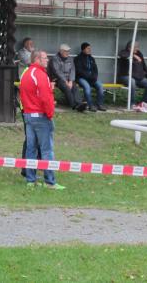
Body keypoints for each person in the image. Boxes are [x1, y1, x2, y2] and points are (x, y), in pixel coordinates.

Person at [19, 50, 64, 190]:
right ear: (38, 59)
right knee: (47, 150)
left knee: (31, 149)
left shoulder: (26, 73)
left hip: (28, 115)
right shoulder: (41, 75)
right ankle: (50, 181)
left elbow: (25, 95)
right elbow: (45, 98)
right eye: (45, 58)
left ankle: (30, 180)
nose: (48, 60)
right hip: (40, 116)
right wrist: (50, 114)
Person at [47, 43, 87, 112]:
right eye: (66, 51)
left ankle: (80, 104)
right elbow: (57, 72)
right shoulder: (55, 59)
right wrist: (66, 81)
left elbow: (73, 70)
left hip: (69, 79)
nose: (67, 53)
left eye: (68, 51)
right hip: (57, 79)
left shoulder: (70, 59)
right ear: (61, 51)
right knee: (66, 87)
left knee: (74, 87)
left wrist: (71, 81)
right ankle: (74, 105)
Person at [117, 40, 147, 108]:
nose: (137, 49)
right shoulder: (124, 52)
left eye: (137, 47)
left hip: (138, 78)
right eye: (136, 47)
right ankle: (132, 103)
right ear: (129, 48)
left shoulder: (139, 53)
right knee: (132, 81)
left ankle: (144, 104)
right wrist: (133, 55)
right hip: (125, 77)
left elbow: (144, 66)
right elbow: (122, 55)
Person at [74, 42, 106, 112]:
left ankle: (100, 104)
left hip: (92, 78)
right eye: (88, 48)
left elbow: (95, 70)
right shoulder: (78, 58)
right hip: (81, 78)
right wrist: (89, 77)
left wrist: (94, 76)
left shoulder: (91, 58)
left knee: (100, 86)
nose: (89, 50)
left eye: (90, 48)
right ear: (83, 49)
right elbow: (79, 71)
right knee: (87, 87)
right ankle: (90, 105)